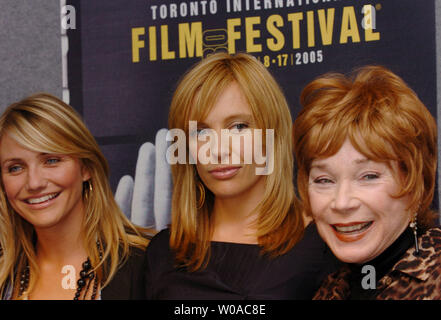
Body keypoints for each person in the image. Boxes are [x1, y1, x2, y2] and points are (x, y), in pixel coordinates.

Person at [145, 52, 340, 299]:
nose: (217, 150)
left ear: (272, 133)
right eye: (200, 132)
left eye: (238, 127)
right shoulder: (163, 251)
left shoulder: (322, 243)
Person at [293, 65, 441, 300]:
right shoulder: (328, 291)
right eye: (324, 180)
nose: (341, 203)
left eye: (368, 176)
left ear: (414, 183)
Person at [0, 93, 151, 300]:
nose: (34, 183)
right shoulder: (4, 277)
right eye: (15, 168)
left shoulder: (149, 266)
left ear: (86, 168)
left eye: (51, 160)